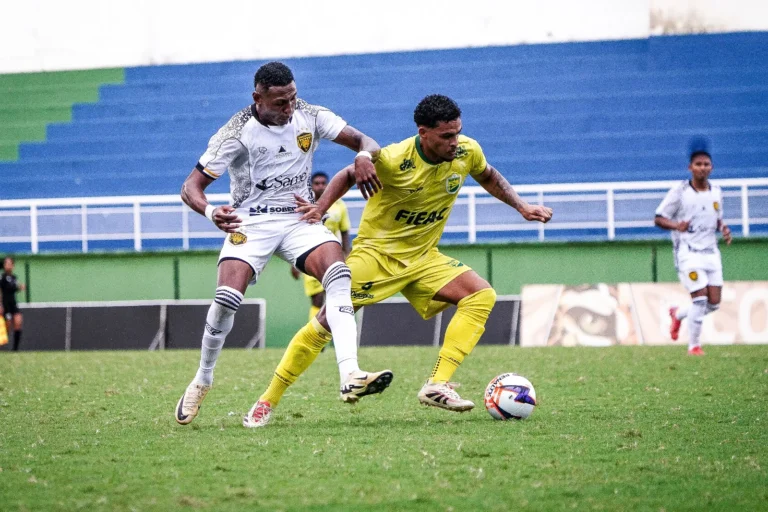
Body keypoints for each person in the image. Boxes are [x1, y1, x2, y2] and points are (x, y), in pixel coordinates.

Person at [253, 94, 553, 426]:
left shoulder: (468, 151)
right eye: (446, 136)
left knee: (480, 295)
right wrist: (320, 209)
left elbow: (489, 176)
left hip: (424, 259)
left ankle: (437, 385)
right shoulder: (395, 159)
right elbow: (348, 175)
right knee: (324, 323)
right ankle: (267, 400)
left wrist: (522, 206)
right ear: (423, 132)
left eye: (457, 133)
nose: (455, 142)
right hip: (376, 257)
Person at [174, 62, 393, 429]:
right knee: (227, 298)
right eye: (279, 102)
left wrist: (363, 155)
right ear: (257, 98)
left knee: (339, 275)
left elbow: (365, 141)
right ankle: (203, 379)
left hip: (299, 218)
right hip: (250, 221)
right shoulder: (236, 132)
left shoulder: (310, 115)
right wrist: (212, 212)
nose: (289, 107)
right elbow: (190, 187)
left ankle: (350, 373)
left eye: (291, 98)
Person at [655, 150, 732, 356]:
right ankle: (694, 347)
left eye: (706, 164)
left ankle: (678, 314)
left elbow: (716, 218)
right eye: (698, 164)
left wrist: (723, 228)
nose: (702, 168)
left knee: (713, 304)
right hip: (688, 252)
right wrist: (676, 225)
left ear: (711, 168)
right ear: (690, 167)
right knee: (699, 300)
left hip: (711, 252)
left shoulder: (716, 191)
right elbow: (659, 218)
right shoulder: (680, 192)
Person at [290, 172, 352, 323]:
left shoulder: (339, 206)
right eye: (317, 183)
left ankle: (335, 334)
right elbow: (293, 235)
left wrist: (347, 256)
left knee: (336, 297)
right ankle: (317, 339)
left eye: (323, 183)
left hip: (333, 257)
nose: (320, 186)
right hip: (311, 257)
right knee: (317, 300)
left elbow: (344, 233)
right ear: (311, 186)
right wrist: (293, 263)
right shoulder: (303, 206)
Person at [1, 256, 25, 351]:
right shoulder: (2, 278)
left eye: (10, 264)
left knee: (18, 322)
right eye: (7, 264)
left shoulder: (14, 277)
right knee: (7, 326)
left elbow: (13, 288)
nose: (9, 266)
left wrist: (20, 287)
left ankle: (15, 349)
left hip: (13, 303)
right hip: (5, 304)